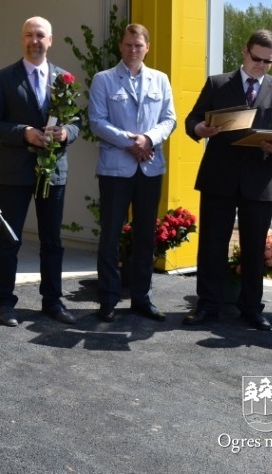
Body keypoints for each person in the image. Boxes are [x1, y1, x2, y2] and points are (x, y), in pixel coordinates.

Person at [183, 29, 272, 330]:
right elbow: (192, 119)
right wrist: (200, 130)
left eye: (268, 61)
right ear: (245, 52)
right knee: (212, 244)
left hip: (259, 180)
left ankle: (251, 308)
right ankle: (208, 305)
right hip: (219, 177)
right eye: (257, 59)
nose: (261, 65)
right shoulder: (218, 83)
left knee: (254, 247)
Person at [0, 16, 81, 327]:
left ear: (50, 40)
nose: (34, 41)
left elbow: (77, 122)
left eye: (40, 35)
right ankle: (5, 302)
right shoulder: (3, 78)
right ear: (22, 39)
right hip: (16, 172)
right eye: (28, 35)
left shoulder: (64, 79)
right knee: (10, 239)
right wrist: (23, 132)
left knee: (52, 241)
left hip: (53, 173)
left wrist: (66, 133)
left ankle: (52, 301)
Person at [88, 23, 177, 323]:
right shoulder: (104, 79)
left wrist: (148, 139)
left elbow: (169, 119)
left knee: (145, 236)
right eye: (128, 44)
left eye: (138, 45)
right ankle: (108, 299)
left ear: (147, 47)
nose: (133, 50)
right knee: (110, 235)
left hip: (149, 168)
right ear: (121, 46)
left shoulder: (160, 79)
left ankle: (141, 298)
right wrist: (132, 142)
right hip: (115, 169)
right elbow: (97, 121)